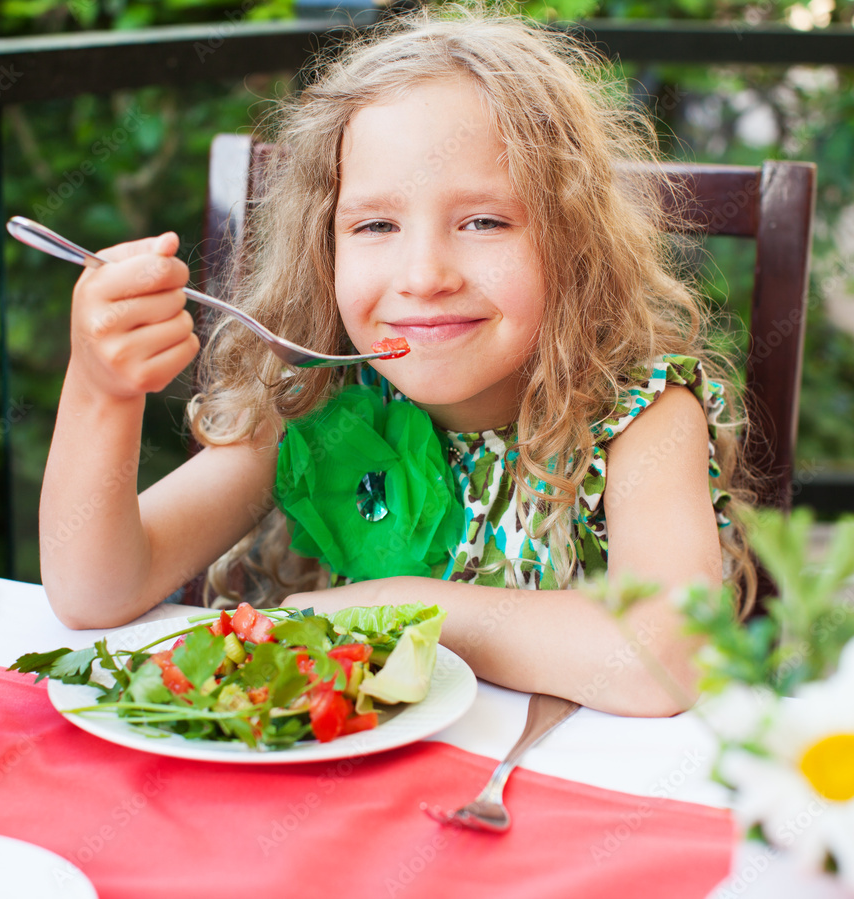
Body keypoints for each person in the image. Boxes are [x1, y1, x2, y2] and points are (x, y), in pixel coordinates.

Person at [39, 9, 755, 717]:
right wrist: (102, 392)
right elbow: (94, 590)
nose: (424, 274)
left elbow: (667, 655)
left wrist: (392, 605)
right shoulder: (317, 397)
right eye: (376, 224)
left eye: (483, 221)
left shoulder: (641, 416)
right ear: (326, 248)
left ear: (574, 241)